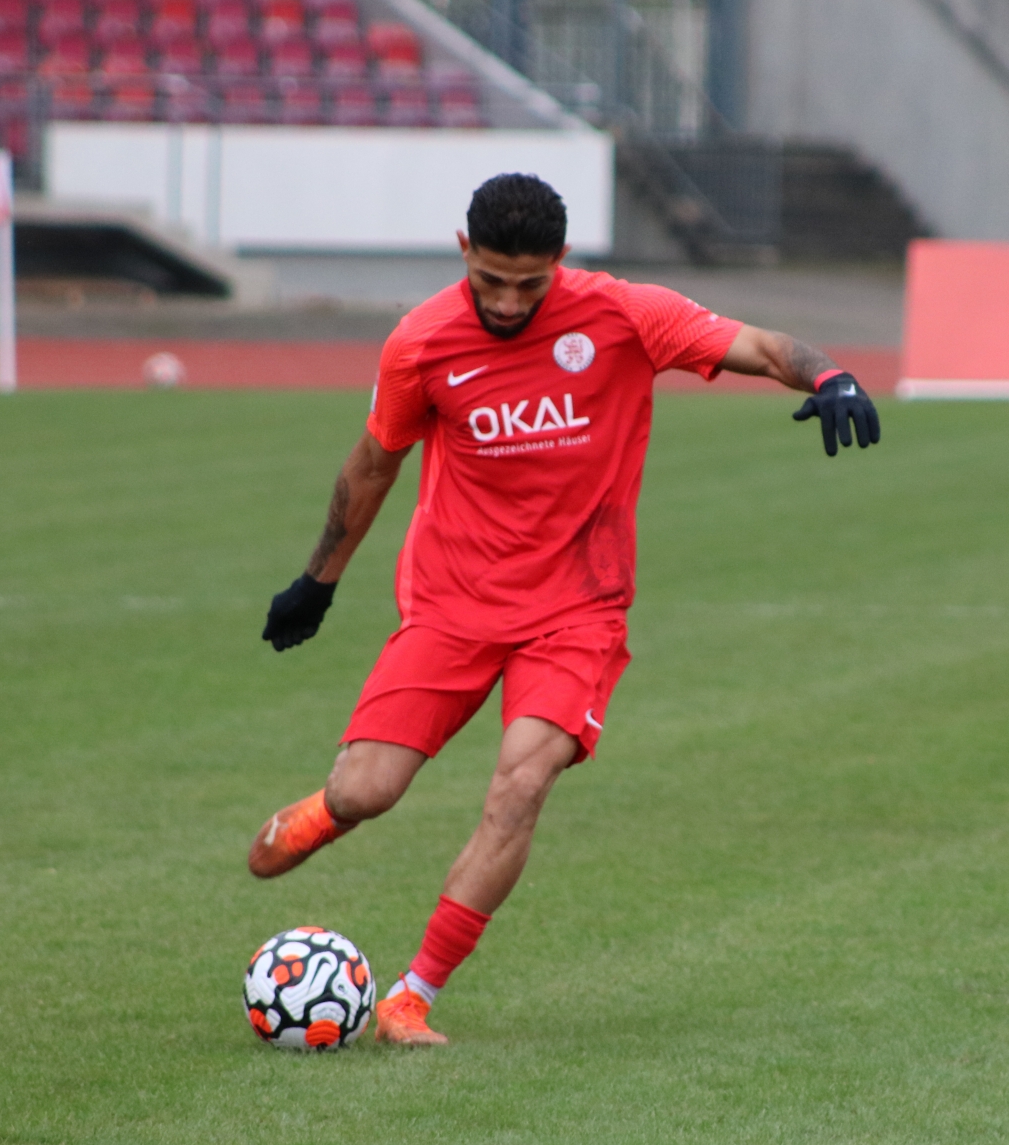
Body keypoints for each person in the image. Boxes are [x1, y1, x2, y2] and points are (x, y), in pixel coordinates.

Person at [249, 173, 879, 1046]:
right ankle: (331, 810)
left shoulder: (625, 315)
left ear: (562, 261)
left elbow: (765, 346)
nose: (509, 303)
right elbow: (374, 464)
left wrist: (832, 374)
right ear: (463, 252)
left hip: (578, 610)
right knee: (368, 789)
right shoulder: (420, 342)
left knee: (520, 785)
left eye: (530, 284)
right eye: (491, 281)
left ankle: (410, 997)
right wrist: (318, 581)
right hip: (453, 604)